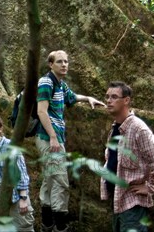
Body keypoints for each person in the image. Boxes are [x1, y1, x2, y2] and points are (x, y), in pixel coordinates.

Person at [35, 50, 105, 232]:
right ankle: (60, 226)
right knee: (61, 182)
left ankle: (47, 225)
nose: (64, 64)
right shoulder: (46, 82)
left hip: (55, 139)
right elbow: (41, 111)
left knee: (50, 180)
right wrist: (52, 137)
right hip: (49, 139)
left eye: (66, 61)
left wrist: (88, 98)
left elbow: (72, 97)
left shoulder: (60, 84)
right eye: (59, 62)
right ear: (51, 64)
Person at [100, 81, 154, 232]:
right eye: (107, 97)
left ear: (126, 100)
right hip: (117, 200)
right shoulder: (115, 128)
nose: (108, 101)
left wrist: (150, 187)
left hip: (132, 205)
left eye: (114, 97)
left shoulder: (138, 128)